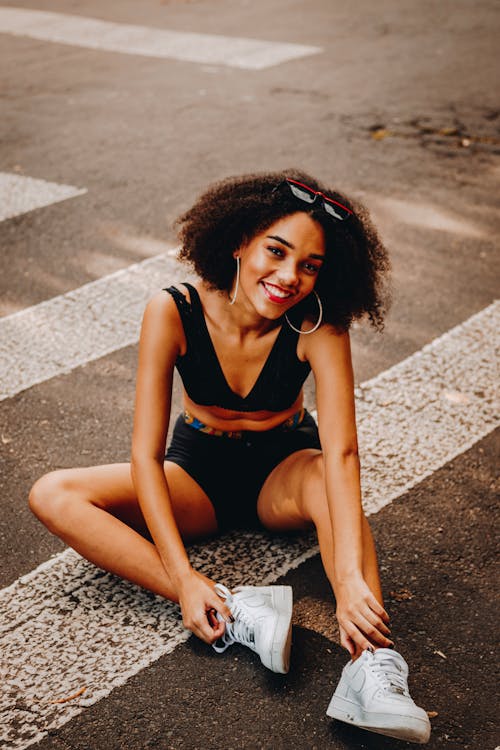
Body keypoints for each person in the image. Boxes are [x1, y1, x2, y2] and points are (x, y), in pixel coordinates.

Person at [29, 170, 431, 744]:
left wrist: (345, 575)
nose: (290, 276)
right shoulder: (173, 310)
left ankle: (371, 666)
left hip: (284, 470)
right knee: (53, 494)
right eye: (276, 250)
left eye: (310, 265)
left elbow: (341, 452)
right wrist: (184, 577)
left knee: (328, 484)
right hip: (197, 472)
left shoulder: (317, 325)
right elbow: (145, 456)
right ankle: (232, 608)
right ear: (239, 242)